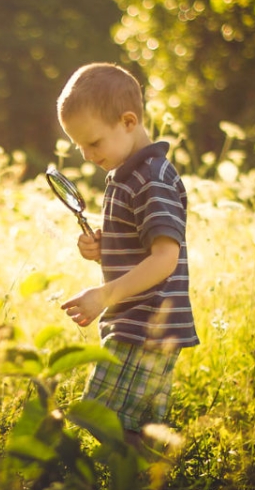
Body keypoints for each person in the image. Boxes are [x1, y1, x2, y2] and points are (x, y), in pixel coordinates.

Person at [55, 62, 199, 450]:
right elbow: (141, 246)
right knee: (128, 425)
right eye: (79, 146)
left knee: (110, 421)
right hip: (136, 319)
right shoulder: (127, 174)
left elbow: (165, 258)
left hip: (148, 323)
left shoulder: (151, 178)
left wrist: (103, 295)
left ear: (129, 121)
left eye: (94, 143)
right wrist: (103, 249)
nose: (86, 155)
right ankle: (143, 489)